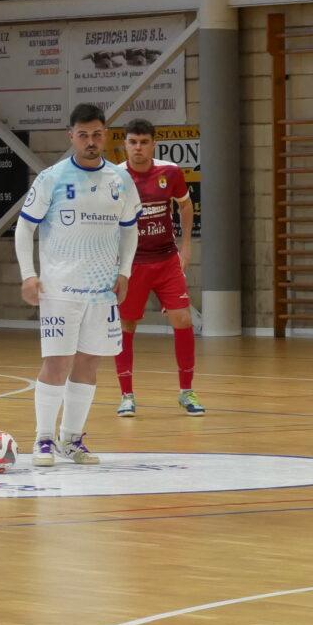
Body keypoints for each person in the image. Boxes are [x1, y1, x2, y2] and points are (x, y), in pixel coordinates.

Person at [16, 103, 142, 466]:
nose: (90, 141)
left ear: (106, 136)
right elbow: (24, 227)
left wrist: (125, 272)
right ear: (71, 136)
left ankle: (71, 439)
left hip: (102, 292)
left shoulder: (120, 180)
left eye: (97, 134)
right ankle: (43, 439)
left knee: (88, 363)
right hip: (59, 290)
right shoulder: (52, 178)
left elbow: (130, 230)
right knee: (58, 362)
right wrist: (28, 274)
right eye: (83, 135)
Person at [113, 118, 204, 417]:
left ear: (153, 144)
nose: (138, 148)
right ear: (125, 145)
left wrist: (185, 245)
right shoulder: (114, 177)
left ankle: (186, 392)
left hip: (166, 260)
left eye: (144, 142)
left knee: (183, 319)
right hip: (132, 264)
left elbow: (185, 205)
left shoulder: (170, 172)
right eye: (133, 142)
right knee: (127, 325)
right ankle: (126, 395)